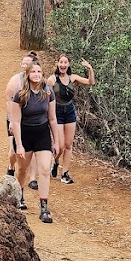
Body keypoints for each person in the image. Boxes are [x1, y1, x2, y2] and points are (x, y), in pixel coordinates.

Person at [9, 60, 61, 223]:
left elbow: (52, 118)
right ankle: (20, 197)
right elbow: (15, 122)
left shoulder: (48, 92)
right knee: (23, 170)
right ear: (28, 75)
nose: (37, 74)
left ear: (43, 74)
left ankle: (44, 208)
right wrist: (19, 145)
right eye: (33, 72)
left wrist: (56, 142)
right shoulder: (20, 95)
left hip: (42, 133)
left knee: (45, 169)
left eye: (39, 72)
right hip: (24, 134)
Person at [47, 54, 94, 185]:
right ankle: (56, 162)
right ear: (57, 64)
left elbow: (90, 82)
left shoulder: (73, 78)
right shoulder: (52, 80)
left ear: (68, 64)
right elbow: (46, 97)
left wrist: (90, 69)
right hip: (57, 112)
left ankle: (65, 173)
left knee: (68, 145)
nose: (63, 65)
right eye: (61, 62)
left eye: (65, 62)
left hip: (70, 112)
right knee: (60, 146)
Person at [4, 53, 38, 206]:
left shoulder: (37, 81)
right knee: (14, 151)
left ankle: (29, 181)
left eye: (27, 64)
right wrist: (12, 120)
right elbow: (8, 101)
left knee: (29, 153)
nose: (24, 66)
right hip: (14, 121)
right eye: (23, 63)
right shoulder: (15, 81)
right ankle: (10, 167)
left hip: (29, 122)